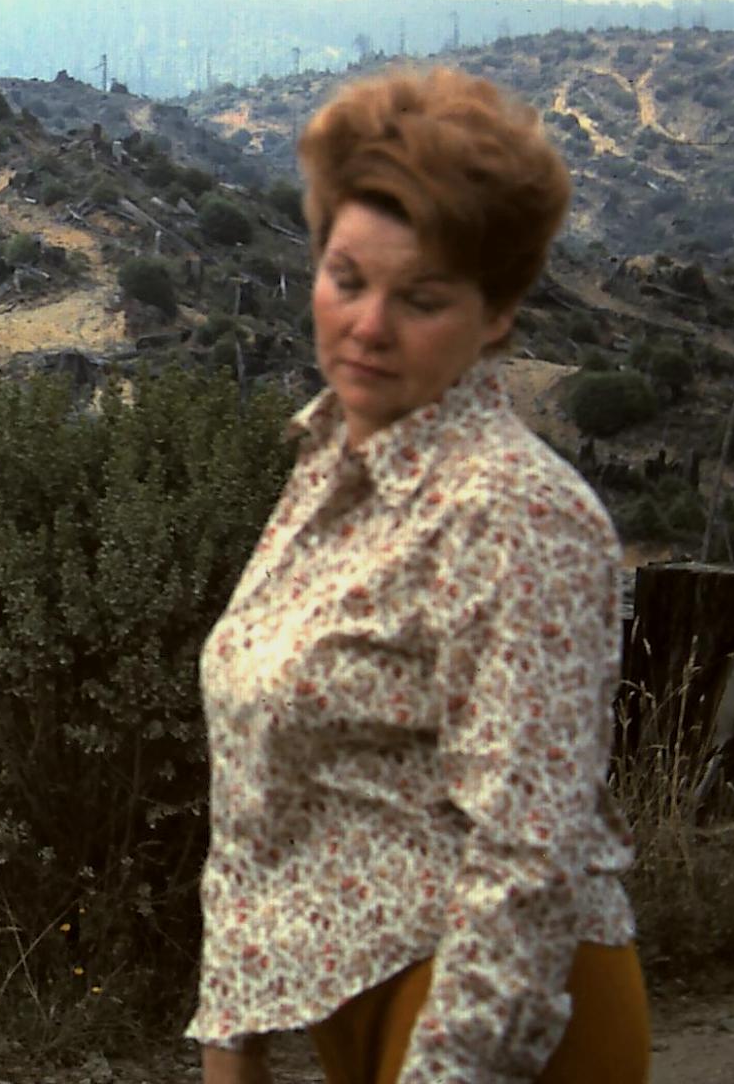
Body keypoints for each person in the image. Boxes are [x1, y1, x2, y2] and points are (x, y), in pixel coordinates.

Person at [188, 68, 644, 1084]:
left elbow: (527, 860)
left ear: (498, 313)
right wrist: (231, 1050)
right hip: (355, 1017)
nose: (369, 326)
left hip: (497, 1029)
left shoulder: (520, 513)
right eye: (347, 279)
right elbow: (251, 793)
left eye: (423, 299)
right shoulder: (327, 469)